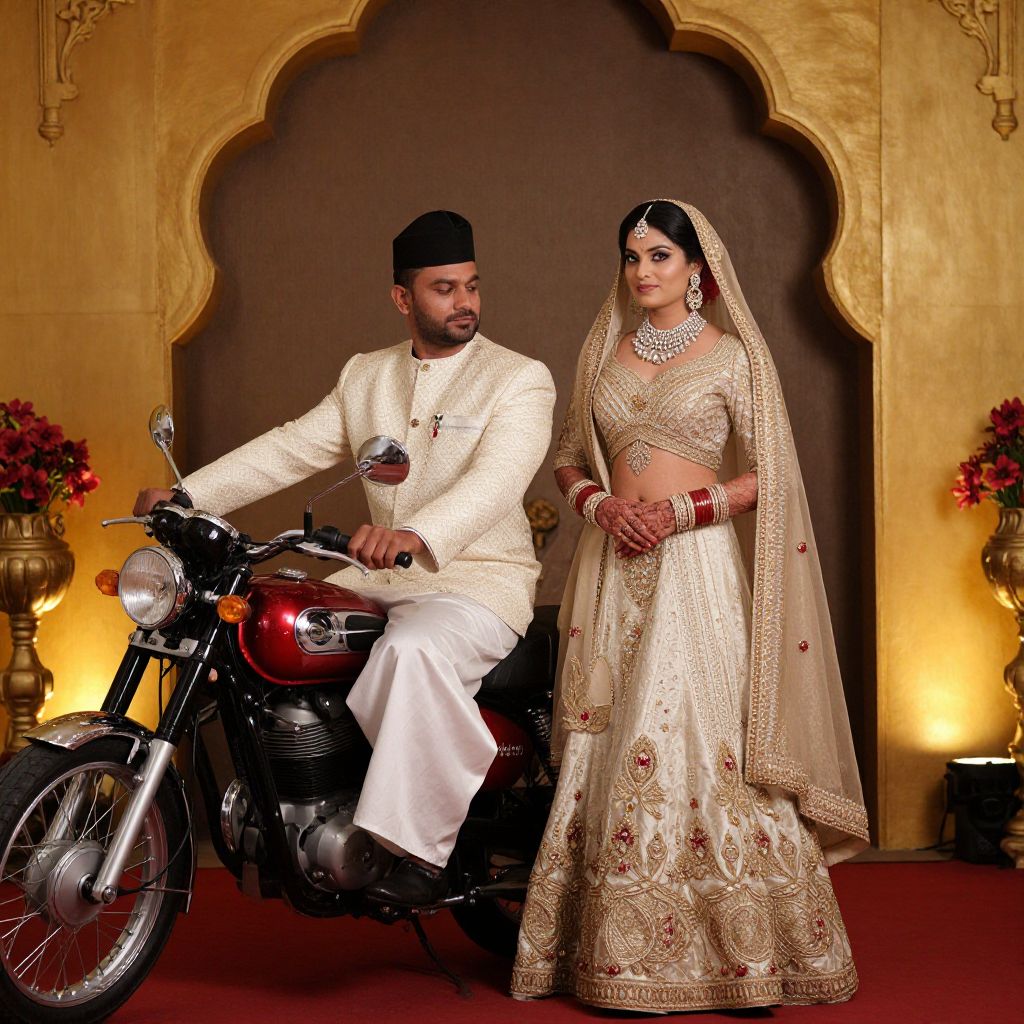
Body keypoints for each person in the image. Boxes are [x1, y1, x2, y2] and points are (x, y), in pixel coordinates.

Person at [134, 210, 555, 906]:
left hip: (479, 584)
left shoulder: (518, 378)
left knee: (409, 653)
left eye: (472, 286)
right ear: (402, 298)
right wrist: (187, 495)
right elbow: (291, 447)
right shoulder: (367, 375)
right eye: (444, 288)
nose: (465, 302)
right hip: (375, 577)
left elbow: (498, 480)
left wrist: (415, 533)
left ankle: (415, 851)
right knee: (267, 630)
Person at [510, 200, 868, 1012]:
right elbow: (568, 458)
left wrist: (680, 512)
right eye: (632, 257)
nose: (643, 272)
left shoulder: (734, 358)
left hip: (695, 568)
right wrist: (602, 505)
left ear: (697, 268)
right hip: (613, 567)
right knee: (610, 738)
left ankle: (745, 958)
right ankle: (617, 958)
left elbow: (773, 475)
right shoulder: (603, 352)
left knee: (693, 732)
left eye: (660, 256)